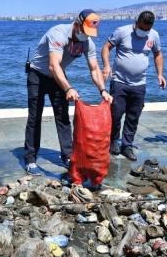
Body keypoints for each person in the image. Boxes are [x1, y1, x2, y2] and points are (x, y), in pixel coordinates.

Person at [24, 9, 113, 176]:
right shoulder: (58, 33)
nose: (86, 36)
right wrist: (68, 88)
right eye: (85, 32)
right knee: (35, 117)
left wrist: (103, 91)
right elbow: (53, 65)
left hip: (58, 76)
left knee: (63, 117)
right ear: (77, 24)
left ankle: (67, 156)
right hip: (38, 75)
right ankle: (30, 158)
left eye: (90, 33)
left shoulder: (87, 43)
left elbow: (94, 69)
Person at [101, 11, 165, 161]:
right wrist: (106, 66)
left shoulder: (154, 35)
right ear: (136, 21)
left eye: (147, 29)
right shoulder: (122, 32)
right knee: (116, 114)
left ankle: (127, 146)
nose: (144, 32)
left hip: (139, 84)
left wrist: (160, 74)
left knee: (133, 116)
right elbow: (106, 48)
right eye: (142, 28)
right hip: (119, 82)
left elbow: (158, 54)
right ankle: (113, 142)